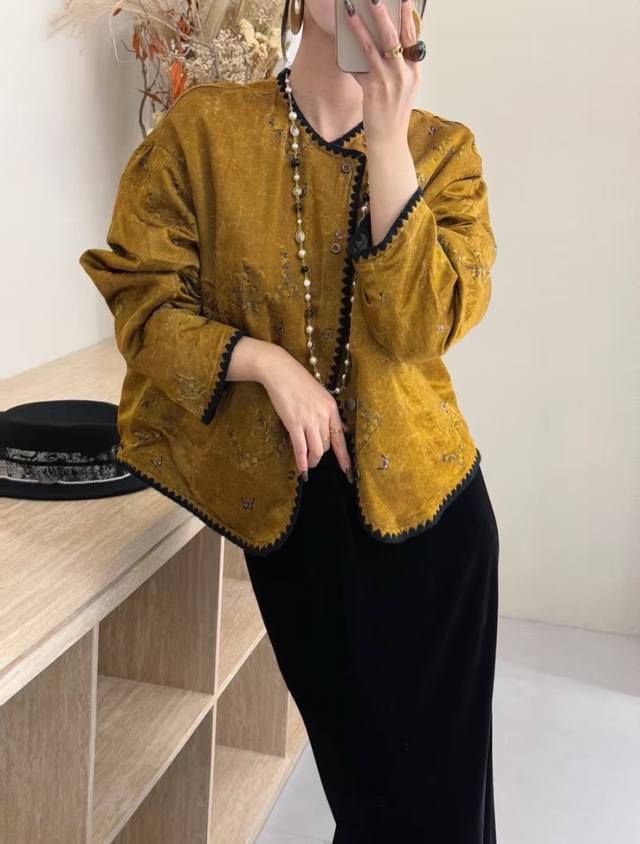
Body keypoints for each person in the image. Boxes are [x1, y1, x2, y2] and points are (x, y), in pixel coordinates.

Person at [80, 1, 499, 841]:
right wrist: (264, 362)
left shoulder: (444, 151)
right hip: (294, 528)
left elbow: (422, 325)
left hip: (436, 525)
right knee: (373, 801)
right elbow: (143, 301)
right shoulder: (205, 131)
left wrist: (389, 139)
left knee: (442, 814)